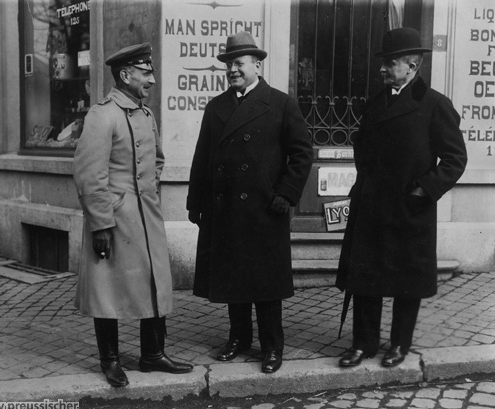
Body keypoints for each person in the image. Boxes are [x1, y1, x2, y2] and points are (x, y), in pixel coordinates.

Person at [335, 28, 467, 368]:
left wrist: (423, 189)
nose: (382, 69)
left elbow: (455, 159)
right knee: (366, 278)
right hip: (372, 207)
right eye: (383, 62)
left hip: (410, 209)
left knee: (406, 282)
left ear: (413, 64)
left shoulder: (435, 104)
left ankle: (399, 345)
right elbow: (361, 145)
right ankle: (363, 344)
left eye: (390, 62)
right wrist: (365, 182)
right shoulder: (376, 101)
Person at [187, 32, 313, 374]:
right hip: (224, 209)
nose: (232, 70)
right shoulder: (217, 107)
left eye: (239, 64)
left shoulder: (281, 103)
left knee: (265, 284)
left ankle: (273, 346)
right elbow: (203, 157)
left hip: (264, 208)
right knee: (232, 277)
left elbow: (302, 154)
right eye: (229, 64)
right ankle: (239, 338)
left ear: (257, 65)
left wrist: (285, 194)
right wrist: (195, 202)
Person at [73, 42, 193, 387]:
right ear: (125, 75)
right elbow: (89, 174)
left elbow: (156, 160)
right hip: (112, 218)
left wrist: (147, 192)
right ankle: (109, 360)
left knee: (155, 280)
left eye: (151, 72)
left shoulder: (145, 114)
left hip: (146, 216)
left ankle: (152, 355)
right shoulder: (102, 115)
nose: (152, 80)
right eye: (146, 73)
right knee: (106, 287)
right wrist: (100, 224)